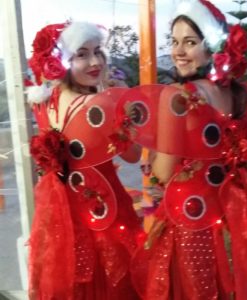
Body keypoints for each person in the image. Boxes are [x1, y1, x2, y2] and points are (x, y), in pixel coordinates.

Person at [130, 1, 247, 299]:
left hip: (192, 218)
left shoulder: (177, 97)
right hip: (235, 217)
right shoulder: (237, 93)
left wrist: (152, 156)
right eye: (175, 41)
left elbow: (163, 173)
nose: (178, 51)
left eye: (190, 42)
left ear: (212, 48)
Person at [27, 21, 142, 299]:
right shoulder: (100, 104)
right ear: (61, 61)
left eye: (98, 51)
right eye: (81, 54)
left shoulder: (44, 102)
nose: (95, 61)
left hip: (60, 217)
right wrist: (124, 100)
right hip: (103, 211)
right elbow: (133, 155)